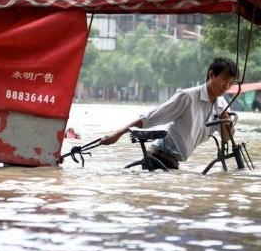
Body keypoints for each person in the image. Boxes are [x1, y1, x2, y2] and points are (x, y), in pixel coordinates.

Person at [100, 56, 237, 170]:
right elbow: (150, 118)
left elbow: (226, 138)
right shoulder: (187, 97)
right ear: (212, 75)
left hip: (173, 164)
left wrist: (226, 122)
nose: (226, 86)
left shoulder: (223, 106)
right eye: (224, 79)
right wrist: (117, 134)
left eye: (231, 83)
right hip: (157, 159)